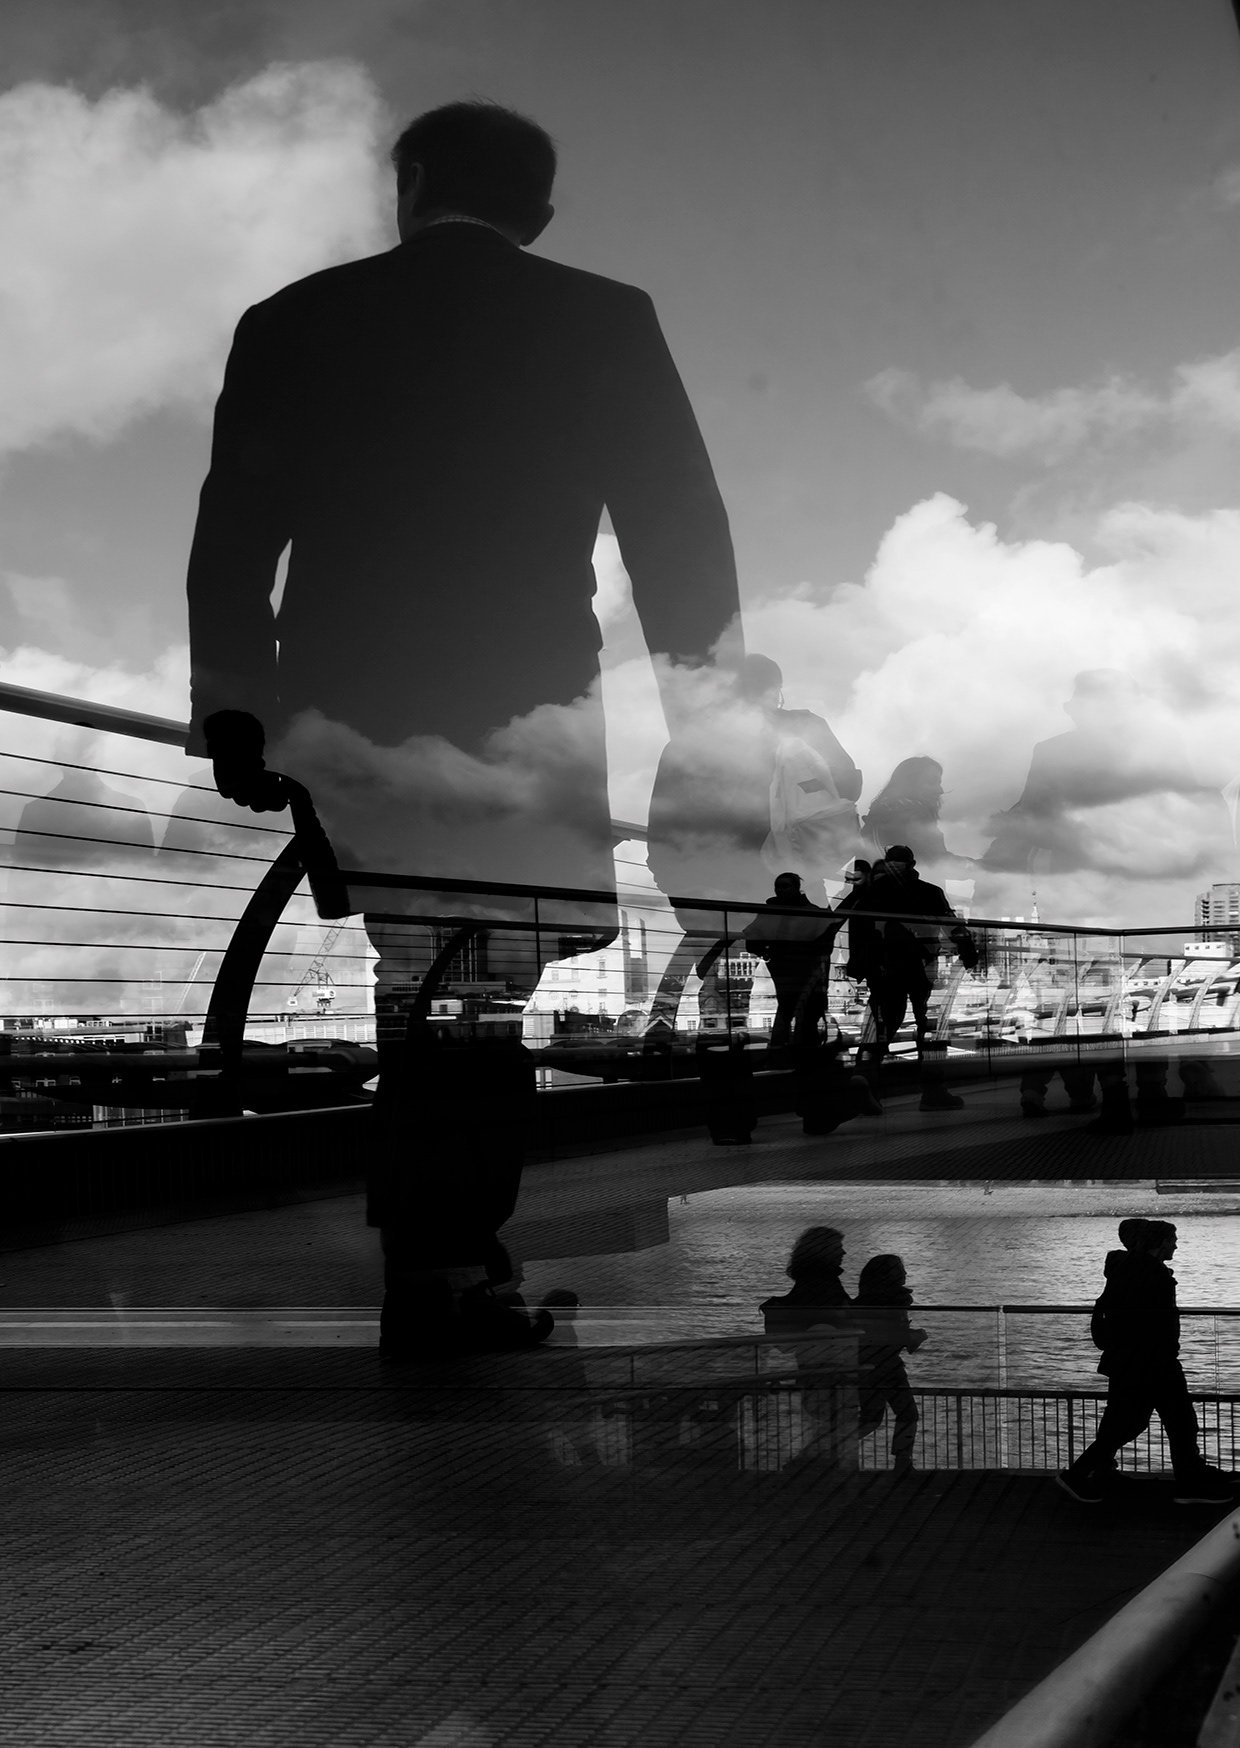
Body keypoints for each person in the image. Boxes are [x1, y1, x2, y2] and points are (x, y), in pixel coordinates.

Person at [185, 101, 741, 1357]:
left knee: (426, 977)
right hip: (523, 712)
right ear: (538, 212)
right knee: (482, 991)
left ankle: (438, 1258)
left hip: (351, 706)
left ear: (411, 181)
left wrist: (236, 705)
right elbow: (678, 535)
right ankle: (448, 1261)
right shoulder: (604, 315)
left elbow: (234, 538)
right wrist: (706, 715)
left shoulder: (291, 319)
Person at [1057, 1220, 1236, 1506]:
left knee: (1136, 1423)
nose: (1175, 1245)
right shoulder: (1149, 1274)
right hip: (1152, 1363)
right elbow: (1152, 1321)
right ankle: (1189, 1482)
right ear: (1160, 1242)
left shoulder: (1130, 1270)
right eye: (1172, 1239)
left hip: (1136, 1361)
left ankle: (1188, 1479)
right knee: (1172, 1423)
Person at [839, 845, 978, 1111]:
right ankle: (933, 1091)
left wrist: (857, 963)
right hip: (921, 966)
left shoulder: (870, 893)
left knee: (881, 1025)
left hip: (883, 969)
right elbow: (951, 925)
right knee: (929, 1029)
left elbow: (857, 929)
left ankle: (865, 1077)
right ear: (913, 864)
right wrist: (968, 952)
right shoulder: (930, 891)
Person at [761, 1226, 861, 1469]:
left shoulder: (813, 1281)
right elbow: (836, 1316)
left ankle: (809, 1469)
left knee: (825, 1426)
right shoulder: (825, 1283)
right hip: (833, 1367)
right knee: (836, 1426)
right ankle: (813, 1470)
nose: (844, 1253)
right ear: (825, 1252)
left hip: (816, 1366)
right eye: (838, 1248)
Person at [853, 1254, 926, 1478]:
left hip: (875, 1365)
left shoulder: (868, 1302)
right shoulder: (892, 1303)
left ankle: (827, 1447)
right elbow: (891, 1334)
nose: (904, 1274)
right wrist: (914, 1336)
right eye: (899, 1270)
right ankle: (902, 1461)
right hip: (881, 1366)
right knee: (898, 1415)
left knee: (876, 1418)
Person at [861, 758, 972, 882]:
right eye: (932, 782)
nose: (940, 790)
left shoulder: (881, 816)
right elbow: (939, 863)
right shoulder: (912, 817)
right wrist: (986, 866)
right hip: (909, 899)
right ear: (909, 784)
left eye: (939, 783)